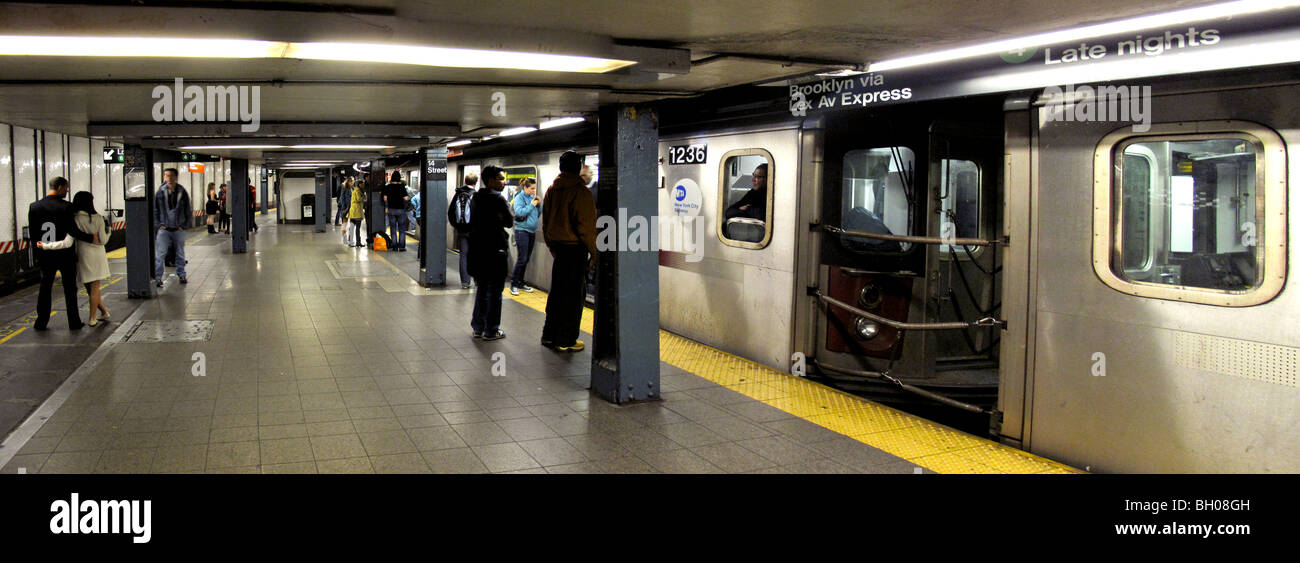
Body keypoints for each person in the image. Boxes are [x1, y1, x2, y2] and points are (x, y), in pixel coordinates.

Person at [540, 151, 597, 352]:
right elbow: (587, 227)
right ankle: (566, 339)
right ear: (577, 166)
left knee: (556, 293)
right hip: (575, 250)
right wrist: (595, 252)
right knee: (573, 296)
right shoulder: (581, 192)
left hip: (559, 250)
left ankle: (549, 335)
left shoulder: (552, 190)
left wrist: (552, 247)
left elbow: (545, 222)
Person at [28, 177, 96, 331]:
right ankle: (74, 321)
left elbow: (33, 235)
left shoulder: (34, 207)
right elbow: (73, 230)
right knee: (70, 288)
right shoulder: (67, 207)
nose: (67, 191)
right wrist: (90, 237)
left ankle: (41, 322)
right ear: (59, 187)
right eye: (66, 188)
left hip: (46, 253)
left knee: (45, 287)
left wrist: (40, 252)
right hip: (65, 254)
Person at [39, 192, 112, 326]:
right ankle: (92, 318)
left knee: (90, 289)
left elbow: (67, 242)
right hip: (97, 257)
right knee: (95, 288)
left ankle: (104, 312)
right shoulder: (98, 218)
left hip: (82, 256)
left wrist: (46, 246)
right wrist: (109, 231)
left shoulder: (74, 219)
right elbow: (102, 241)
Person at [468, 166, 512, 340]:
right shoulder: (498, 199)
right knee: (494, 292)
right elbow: (508, 221)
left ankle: (478, 327)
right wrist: (499, 218)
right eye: (501, 178)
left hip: (478, 250)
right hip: (495, 250)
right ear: (491, 180)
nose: (504, 182)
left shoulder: (476, 197)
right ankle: (491, 330)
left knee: (482, 288)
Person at [154, 167, 190, 286]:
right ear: (164, 177)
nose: (169, 178)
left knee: (180, 253)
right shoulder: (160, 192)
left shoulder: (182, 191)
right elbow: (155, 210)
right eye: (166, 175)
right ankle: (158, 278)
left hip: (178, 229)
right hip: (164, 229)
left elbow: (187, 210)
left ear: (176, 177)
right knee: (160, 254)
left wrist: (184, 225)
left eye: (171, 175)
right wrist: (159, 224)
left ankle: (182, 274)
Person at [509, 177, 540, 295]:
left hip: (531, 231)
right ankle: (514, 284)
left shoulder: (532, 198)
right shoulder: (519, 198)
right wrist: (532, 205)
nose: (533, 191)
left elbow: (537, 213)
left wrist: (538, 205)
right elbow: (519, 212)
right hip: (522, 231)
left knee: (526, 259)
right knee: (522, 258)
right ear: (525, 187)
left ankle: (521, 282)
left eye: (535, 188)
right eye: (532, 188)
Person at [447, 173, 477, 289]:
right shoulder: (476, 195)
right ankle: (477, 280)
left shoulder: (458, 194)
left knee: (463, 255)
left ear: (465, 181)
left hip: (462, 231)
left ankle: (465, 282)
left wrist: (457, 226)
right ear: (475, 182)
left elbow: (451, 212)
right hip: (474, 232)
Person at [383, 172, 409, 251]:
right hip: (401, 210)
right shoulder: (401, 187)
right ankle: (401, 246)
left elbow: (385, 198)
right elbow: (406, 198)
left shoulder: (388, 187)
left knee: (393, 228)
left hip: (391, 210)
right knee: (401, 228)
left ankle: (394, 245)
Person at [347, 178, 366, 247]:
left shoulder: (355, 190)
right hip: (357, 212)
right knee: (357, 228)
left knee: (351, 227)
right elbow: (358, 199)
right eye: (362, 184)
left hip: (353, 212)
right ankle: (358, 242)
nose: (363, 185)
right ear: (359, 184)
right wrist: (363, 196)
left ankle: (350, 241)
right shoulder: (358, 191)